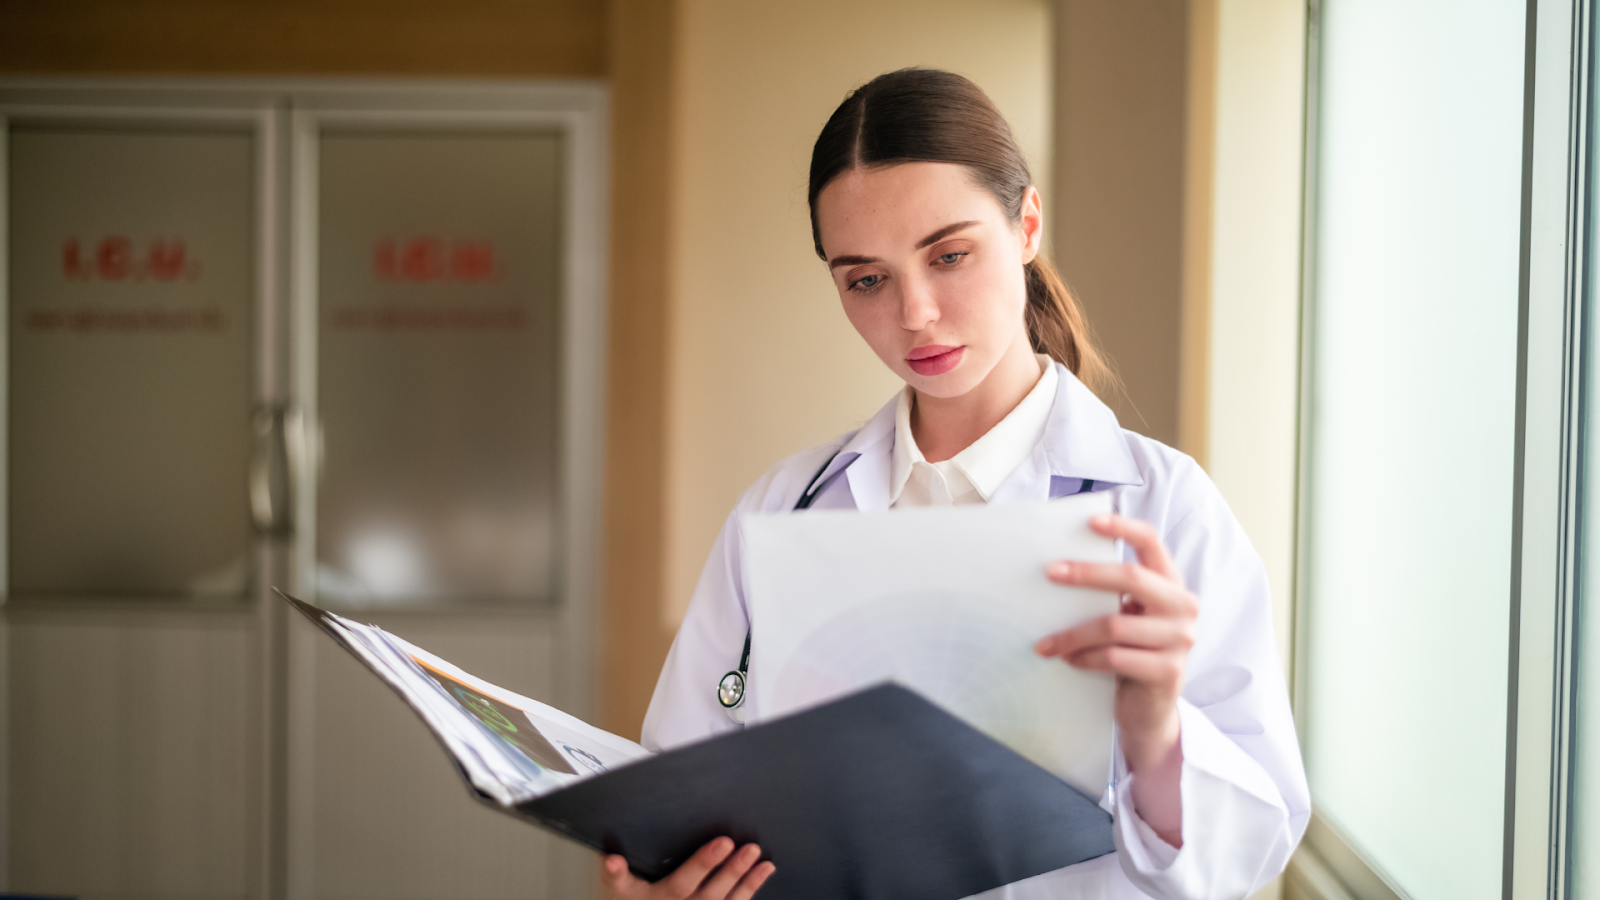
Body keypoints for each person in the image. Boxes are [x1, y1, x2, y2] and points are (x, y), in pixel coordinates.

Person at [600, 68, 1310, 900]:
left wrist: (1156, 732)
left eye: (950, 255)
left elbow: (1251, 848)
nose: (916, 314)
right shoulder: (782, 511)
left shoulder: (1162, 508)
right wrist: (659, 884)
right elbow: (677, 793)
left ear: (1027, 225)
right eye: (867, 279)